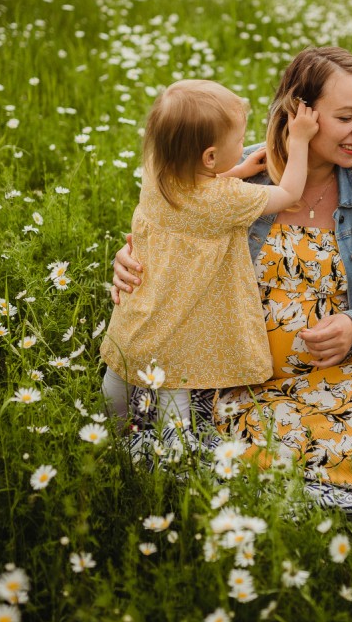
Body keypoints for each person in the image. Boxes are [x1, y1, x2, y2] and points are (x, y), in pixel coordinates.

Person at [112, 48, 352, 494]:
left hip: (349, 369)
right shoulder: (235, 176)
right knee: (197, 439)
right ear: (298, 114)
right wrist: (129, 261)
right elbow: (170, 228)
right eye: (346, 117)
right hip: (244, 373)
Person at [101, 78, 319, 428]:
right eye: (239, 141)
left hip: (140, 312)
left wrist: (235, 171)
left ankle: (110, 431)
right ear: (210, 156)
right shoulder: (225, 200)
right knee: (177, 393)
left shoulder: (156, 172)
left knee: (119, 375)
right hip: (184, 325)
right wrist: (300, 140)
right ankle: (175, 456)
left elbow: (195, 179)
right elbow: (291, 193)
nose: (244, 147)